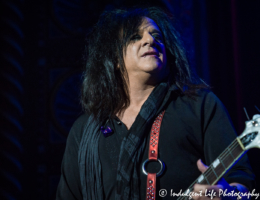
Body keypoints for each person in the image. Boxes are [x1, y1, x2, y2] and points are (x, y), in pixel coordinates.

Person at [56, 7, 255, 200]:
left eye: (157, 37)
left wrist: (229, 195)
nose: (150, 40)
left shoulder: (199, 106)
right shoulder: (83, 131)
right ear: (114, 59)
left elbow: (242, 182)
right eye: (135, 36)